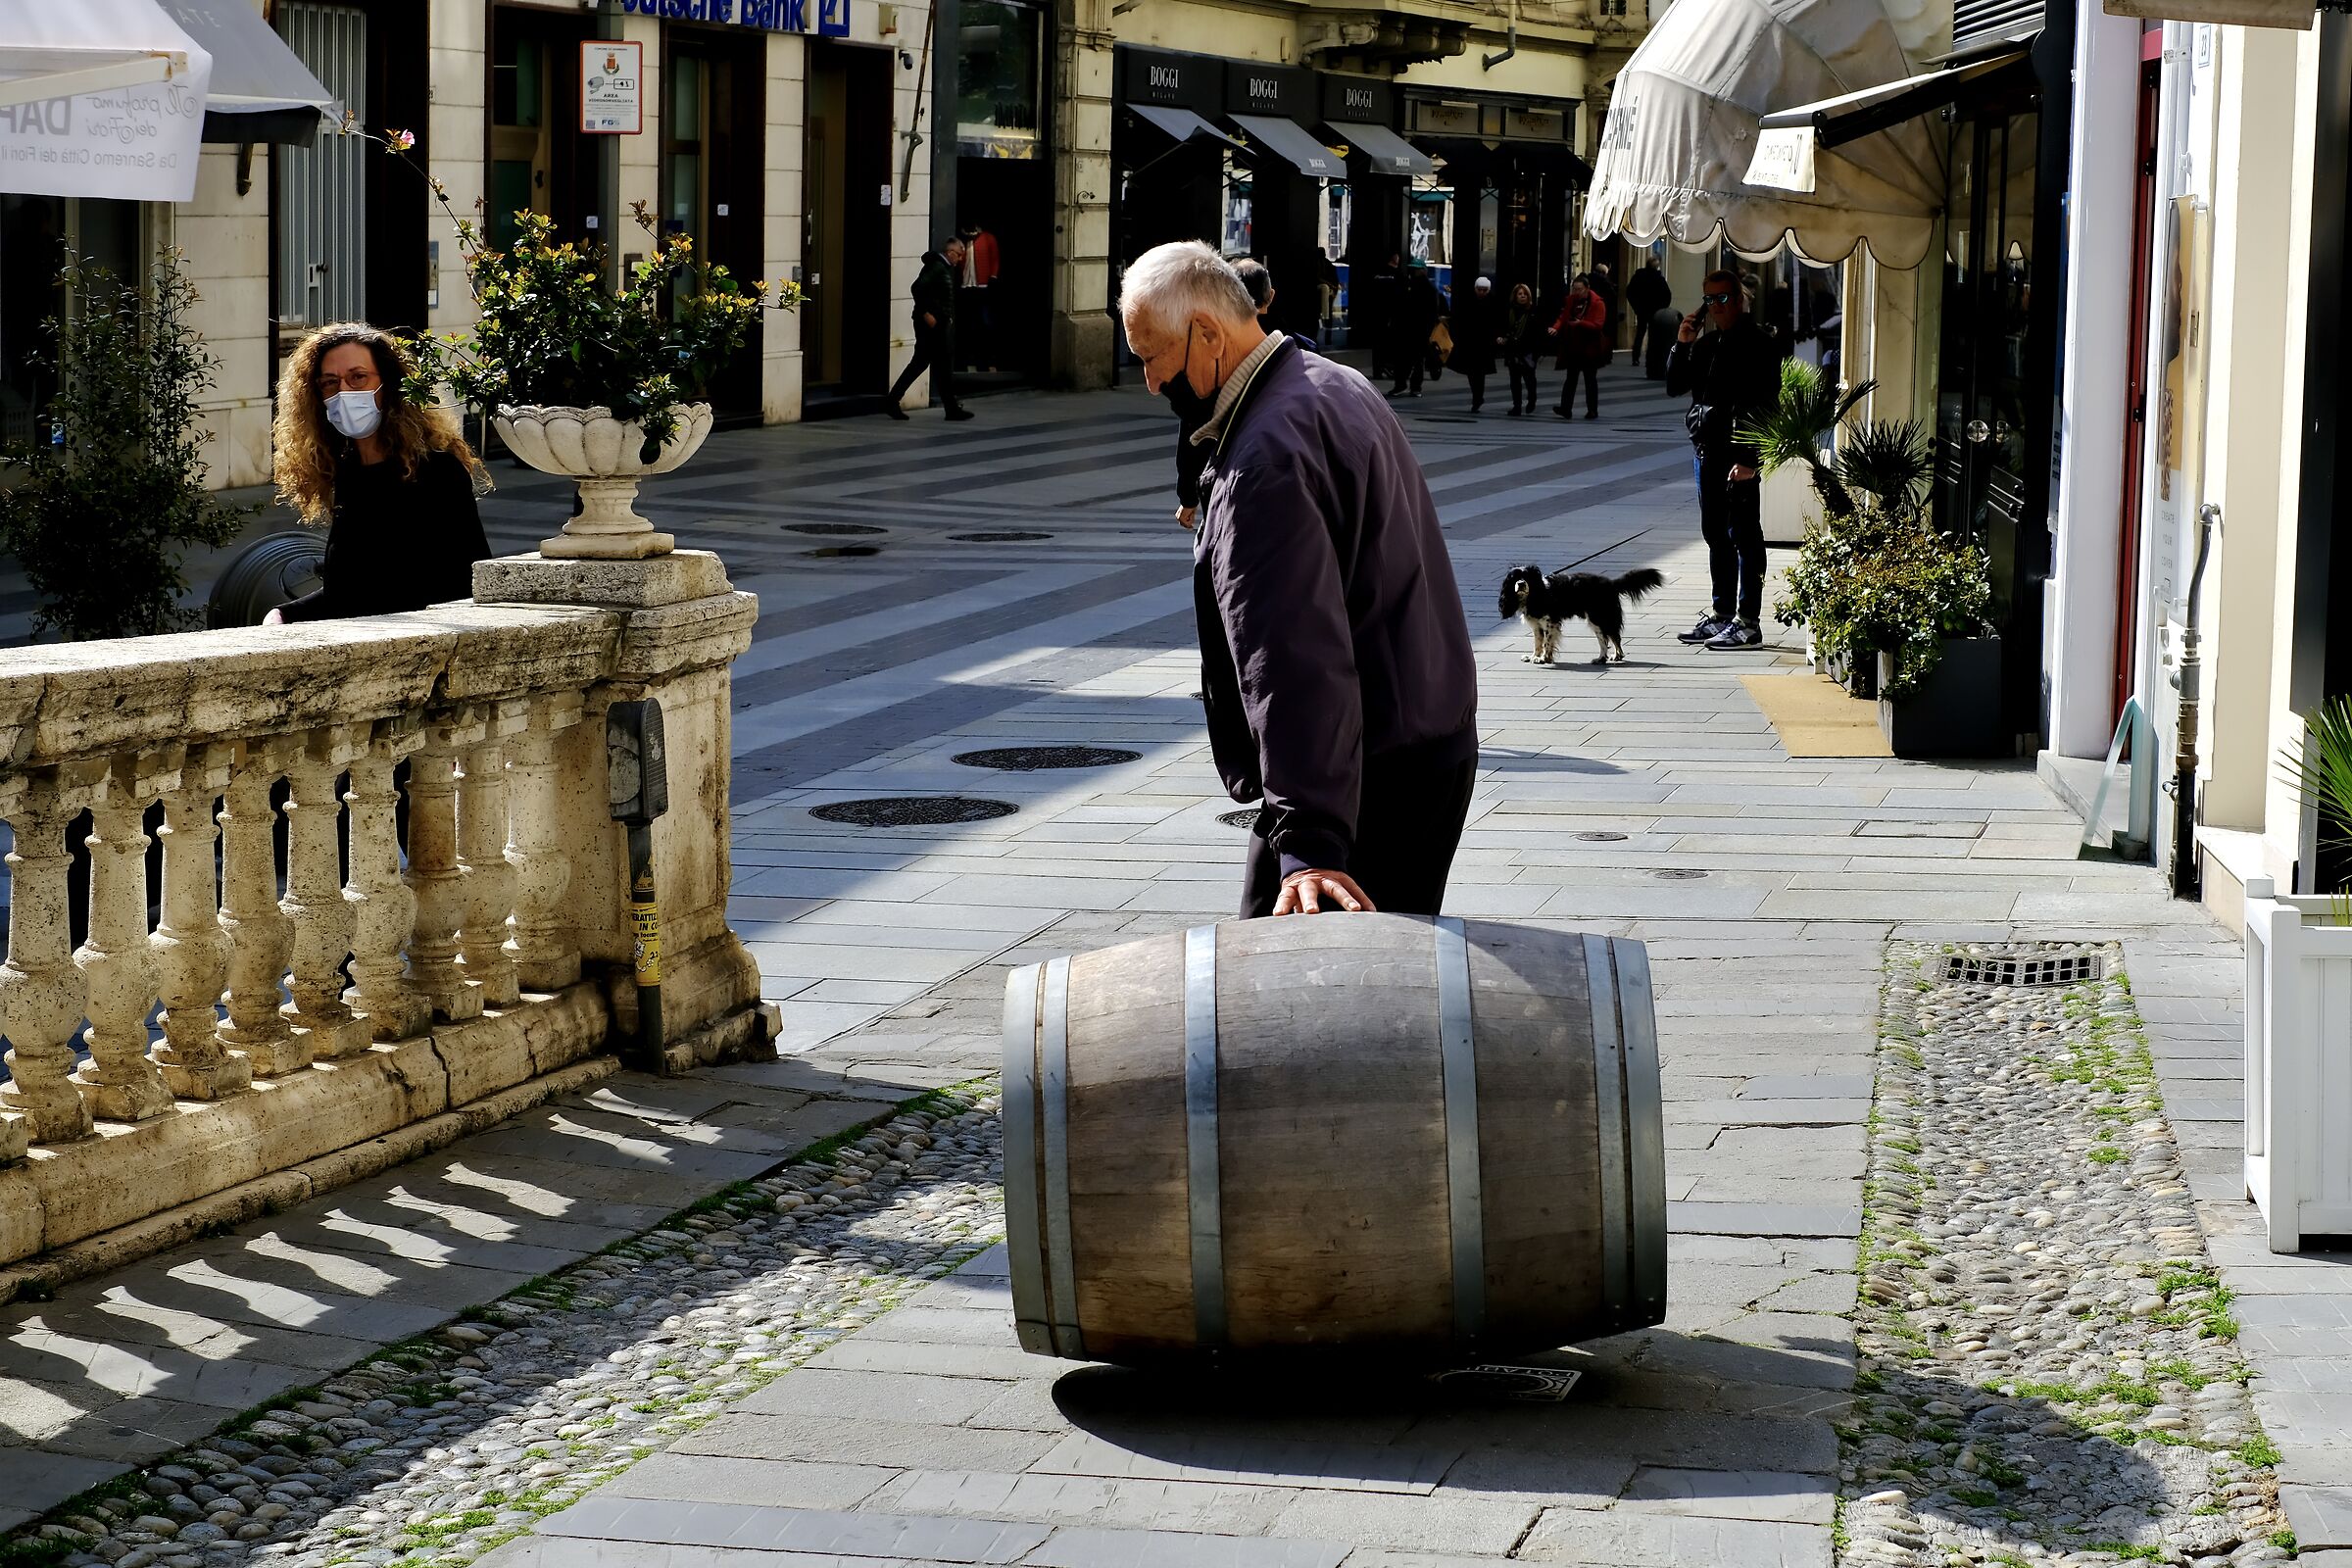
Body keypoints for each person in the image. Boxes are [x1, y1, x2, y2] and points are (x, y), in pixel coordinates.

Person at [1120, 241, 1479, 919]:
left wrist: (1311, 845)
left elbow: (1293, 656)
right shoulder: (1332, 384)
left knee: (1282, 1000)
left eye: (1151, 356)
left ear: (1206, 333)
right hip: (1419, 748)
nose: (1149, 380)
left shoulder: (1267, 460)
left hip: (1367, 779)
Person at [264, 322, 491, 624]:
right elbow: (347, 593)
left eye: (358, 377)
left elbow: (469, 584)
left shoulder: (439, 472)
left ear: (389, 385)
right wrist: (282, 614)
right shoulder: (348, 472)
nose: (343, 392)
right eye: (330, 383)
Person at [1666, 270, 1784, 651]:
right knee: (1716, 534)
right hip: (1707, 452)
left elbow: (1767, 405)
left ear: (1738, 299)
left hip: (1738, 456)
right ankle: (1721, 615)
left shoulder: (1759, 344)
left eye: (1721, 298)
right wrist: (1682, 344)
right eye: (1708, 300)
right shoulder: (1707, 344)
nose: (1715, 307)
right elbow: (1674, 385)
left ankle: (1748, 622)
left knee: (1745, 536)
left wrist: (1751, 458)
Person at [884, 235, 972, 421]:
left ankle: (949, 408)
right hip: (930, 325)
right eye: (959, 255)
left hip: (937, 323)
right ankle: (893, 401)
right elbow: (917, 288)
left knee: (932, 364)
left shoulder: (943, 268)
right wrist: (926, 313)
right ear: (950, 252)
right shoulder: (936, 267)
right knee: (931, 364)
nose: (960, 259)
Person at [1547, 273, 1609, 419]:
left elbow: (1598, 324)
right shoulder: (1571, 301)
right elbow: (1563, 317)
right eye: (1574, 289)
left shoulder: (1597, 303)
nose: (1576, 292)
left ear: (1587, 289)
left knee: (1590, 379)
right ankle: (1565, 408)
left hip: (1590, 346)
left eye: (1579, 289)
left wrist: (1580, 323)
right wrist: (1556, 327)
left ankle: (1592, 410)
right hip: (1574, 345)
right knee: (1571, 378)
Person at [1387, 261, 1444, 398]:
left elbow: (1432, 312)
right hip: (1405, 329)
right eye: (1412, 269)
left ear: (1423, 270)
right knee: (1402, 360)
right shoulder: (1407, 285)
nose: (1414, 272)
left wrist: (1427, 330)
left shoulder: (1428, 289)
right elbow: (1398, 306)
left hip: (1419, 330)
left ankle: (1415, 387)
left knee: (1417, 361)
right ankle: (1401, 385)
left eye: (1417, 269)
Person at [956, 220, 1002, 371]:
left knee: (986, 325)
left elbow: (995, 258)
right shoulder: (961, 240)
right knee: (968, 326)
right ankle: (970, 362)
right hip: (966, 287)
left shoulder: (988, 238)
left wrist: (993, 276)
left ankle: (990, 362)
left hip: (983, 287)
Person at [1452, 276, 1501, 414]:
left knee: (1478, 373)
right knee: (1472, 373)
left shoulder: (1492, 302)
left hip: (1484, 344)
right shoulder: (1469, 301)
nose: (1481, 292)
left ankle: (1477, 398)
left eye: (1484, 290)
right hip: (1470, 342)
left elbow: (1496, 322)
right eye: (1479, 289)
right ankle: (1477, 397)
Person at [1503, 282, 1544, 416]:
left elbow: (1539, 333)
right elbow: (1504, 328)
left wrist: (1539, 352)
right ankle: (1517, 406)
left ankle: (1532, 399)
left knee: (1529, 379)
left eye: (1525, 294)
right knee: (1514, 381)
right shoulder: (1510, 311)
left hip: (1528, 351)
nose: (1522, 296)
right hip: (1513, 350)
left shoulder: (1534, 311)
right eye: (1519, 294)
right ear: (1514, 296)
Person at [1626, 262, 1671, 365]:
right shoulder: (1659, 279)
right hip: (1654, 311)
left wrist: (1636, 307)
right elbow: (1667, 295)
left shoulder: (1638, 277)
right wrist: (1662, 309)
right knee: (1652, 336)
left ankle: (1635, 357)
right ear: (1656, 267)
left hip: (1642, 310)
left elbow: (1629, 292)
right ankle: (1650, 358)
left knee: (1640, 333)